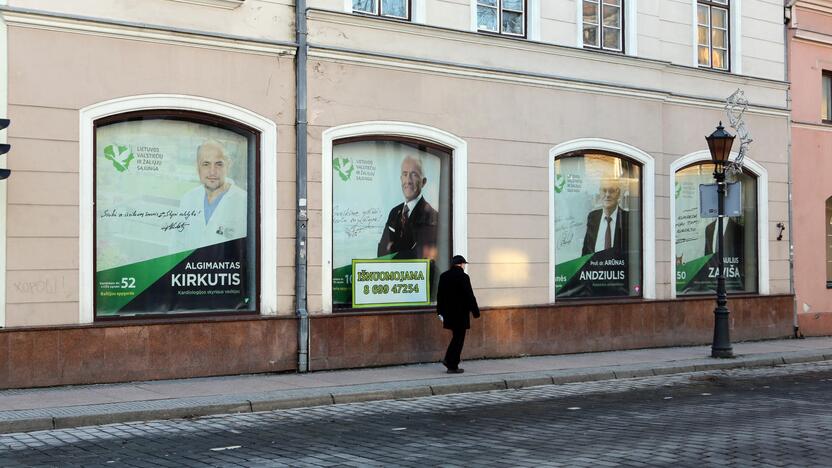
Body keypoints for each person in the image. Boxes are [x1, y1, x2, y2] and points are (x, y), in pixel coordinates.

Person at [177, 140, 247, 250]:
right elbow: (176, 244)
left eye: (219, 164)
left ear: (228, 165)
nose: (212, 172)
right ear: (197, 167)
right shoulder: (188, 199)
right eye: (206, 164)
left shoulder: (244, 202)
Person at [377, 155, 439, 260]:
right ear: (401, 179)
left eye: (414, 174)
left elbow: (420, 256)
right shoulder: (394, 212)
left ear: (423, 182)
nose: (408, 180)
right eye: (405, 174)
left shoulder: (431, 216)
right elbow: (381, 252)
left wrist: (393, 248)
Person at [436, 255, 480, 374]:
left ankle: (451, 363)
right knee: (458, 339)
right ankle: (450, 362)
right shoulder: (464, 277)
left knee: (456, 337)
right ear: (460, 264)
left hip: (449, 313)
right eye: (464, 264)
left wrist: (439, 311)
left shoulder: (444, 276)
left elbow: (440, 295)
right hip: (461, 314)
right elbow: (469, 295)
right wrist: (476, 312)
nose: (464, 266)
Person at [582, 178, 629, 256]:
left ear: (618, 193)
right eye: (604, 190)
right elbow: (585, 253)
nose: (607, 195)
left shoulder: (628, 218)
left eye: (611, 191)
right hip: (595, 267)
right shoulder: (592, 217)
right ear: (600, 192)